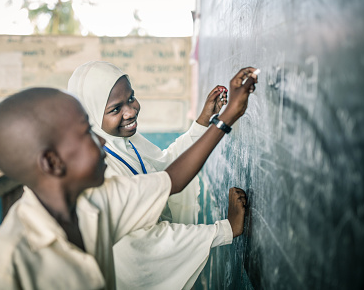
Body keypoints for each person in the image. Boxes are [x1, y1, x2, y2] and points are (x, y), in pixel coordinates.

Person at [0, 67, 257, 290]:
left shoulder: (101, 198)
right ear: (53, 162)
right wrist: (223, 229)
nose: (100, 140)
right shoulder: (3, 268)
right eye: (86, 132)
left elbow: (171, 177)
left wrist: (227, 116)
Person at [67, 61, 237, 289]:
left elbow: (164, 168)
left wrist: (203, 121)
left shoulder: (123, 142)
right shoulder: (99, 170)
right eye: (115, 109)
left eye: (131, 97)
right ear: (92, 114)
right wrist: (225, 230)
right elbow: (141, 245)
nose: (131, 111)